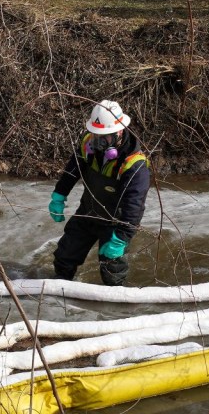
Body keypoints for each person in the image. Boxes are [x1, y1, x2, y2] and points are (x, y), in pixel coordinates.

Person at [48, 100, 150, 286]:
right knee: (64, 257)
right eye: (96, 135)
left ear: (119, 132)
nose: (99, 141)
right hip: (87, 212)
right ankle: (58, 294)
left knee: (112, 273)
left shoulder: (135, 165)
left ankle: (113, 308)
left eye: (105, 136)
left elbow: (134, 205)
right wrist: (59, 195)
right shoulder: (88, 145)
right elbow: (72, 170)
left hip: (114, 222)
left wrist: (122, 237)